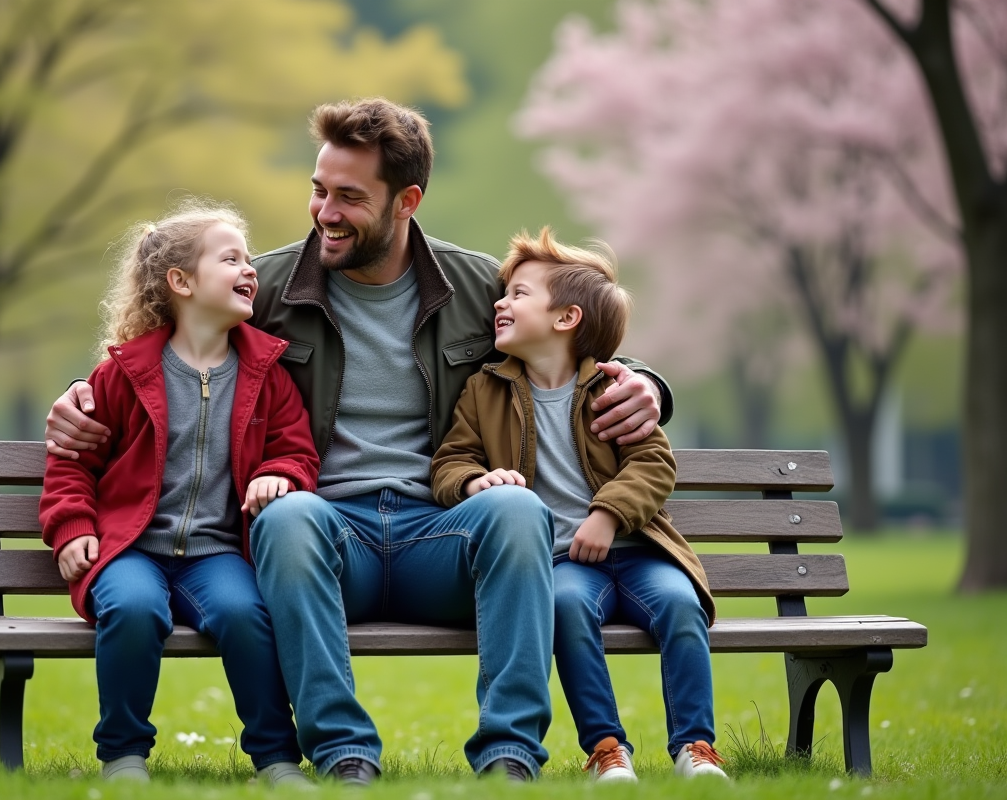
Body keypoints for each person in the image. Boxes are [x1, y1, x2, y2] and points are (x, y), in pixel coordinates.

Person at [44, 98, 673, 784]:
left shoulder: (473, 285)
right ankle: (345, 755)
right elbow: (163, 341)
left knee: (518, 511)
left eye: (349, 197)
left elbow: (567, 330)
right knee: (286, 517)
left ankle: (509, 755)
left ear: (407, 201)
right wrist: (82, 390)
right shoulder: (269, 287)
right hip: (328, 540)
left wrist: (646, 382)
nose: (325, 212)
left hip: (442, 534)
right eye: (319, 190)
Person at [38, 201, 320, 785]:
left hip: (217, 555)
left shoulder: (267, 373)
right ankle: (123, 755)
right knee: (133, 609)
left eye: (248, 259)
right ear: (181, 282)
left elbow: (297, 451)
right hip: (130, 549)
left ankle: (275, 758)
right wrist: (71, 528)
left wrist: (282, 474)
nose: (249, 269)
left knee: (246, 614)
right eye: (230, 259)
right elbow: (72, 463)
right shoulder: (123, 374)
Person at [431, 227, 727, 783]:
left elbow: (654, 463)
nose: (500, 303)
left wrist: (608, 515)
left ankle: (696, 746)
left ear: (566, 318)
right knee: (564, 609)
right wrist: (474, 482)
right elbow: (450, 461)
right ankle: (607, 749)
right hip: (562, 563)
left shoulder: (612, 389)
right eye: (504, 293)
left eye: (519, 294)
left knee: (680, 607)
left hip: (639, 554)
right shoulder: (484, 390)